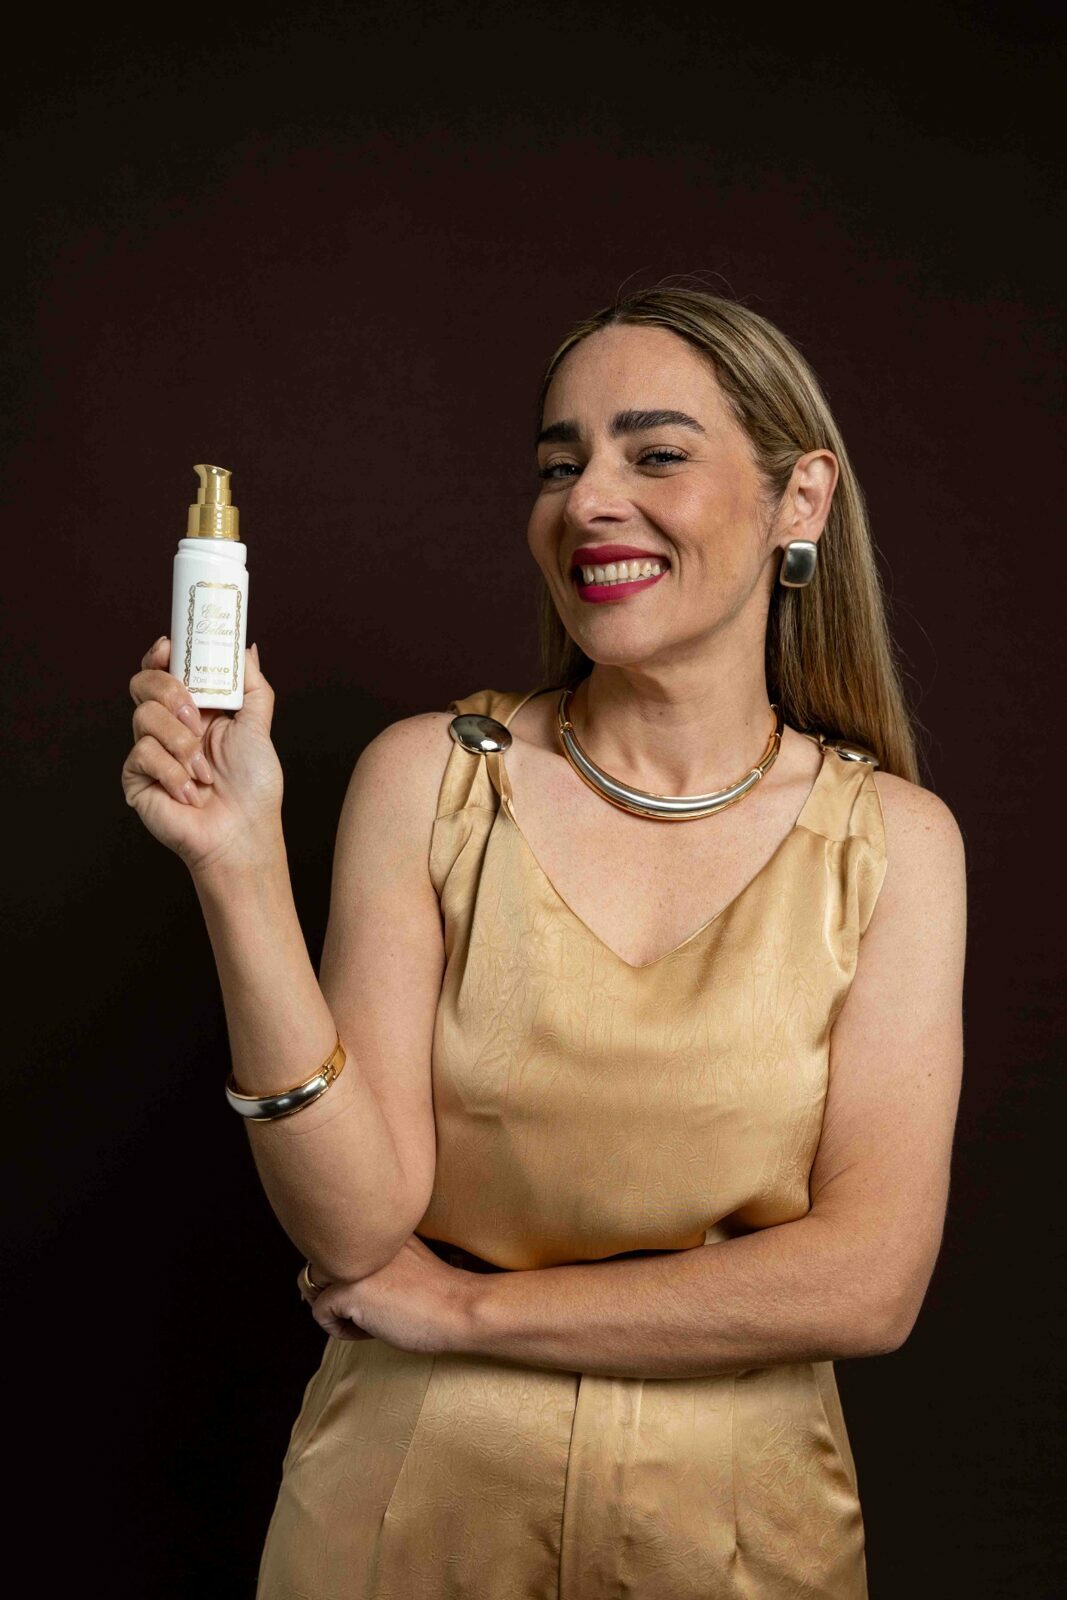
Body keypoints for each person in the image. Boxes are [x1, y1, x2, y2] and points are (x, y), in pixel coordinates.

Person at [122, 287, 967, 1598]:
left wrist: (471, 1309)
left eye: (656, 453)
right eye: (560, 466)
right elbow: (356, 1226)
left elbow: (868, 1283)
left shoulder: (896, 844)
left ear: (800, 499)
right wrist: (238, 866)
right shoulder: (432, 780)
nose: (588, 504)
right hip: (402, 1510)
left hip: (741, 1534)